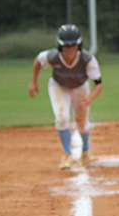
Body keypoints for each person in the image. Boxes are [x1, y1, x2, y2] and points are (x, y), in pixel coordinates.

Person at [28, 24, 103, 169]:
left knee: (81, 123)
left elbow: (98, 84)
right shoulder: (52, 56)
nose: (70, 49)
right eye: (66, 46)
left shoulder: (88, 60)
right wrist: (33, 81)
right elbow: (38, 61)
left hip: (80, 87)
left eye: (73, 45)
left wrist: (89, 98)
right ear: (60, 46)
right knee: (61, 118)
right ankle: (67, 154)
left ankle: (85, 151)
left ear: (78, 45)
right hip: (59, 86)